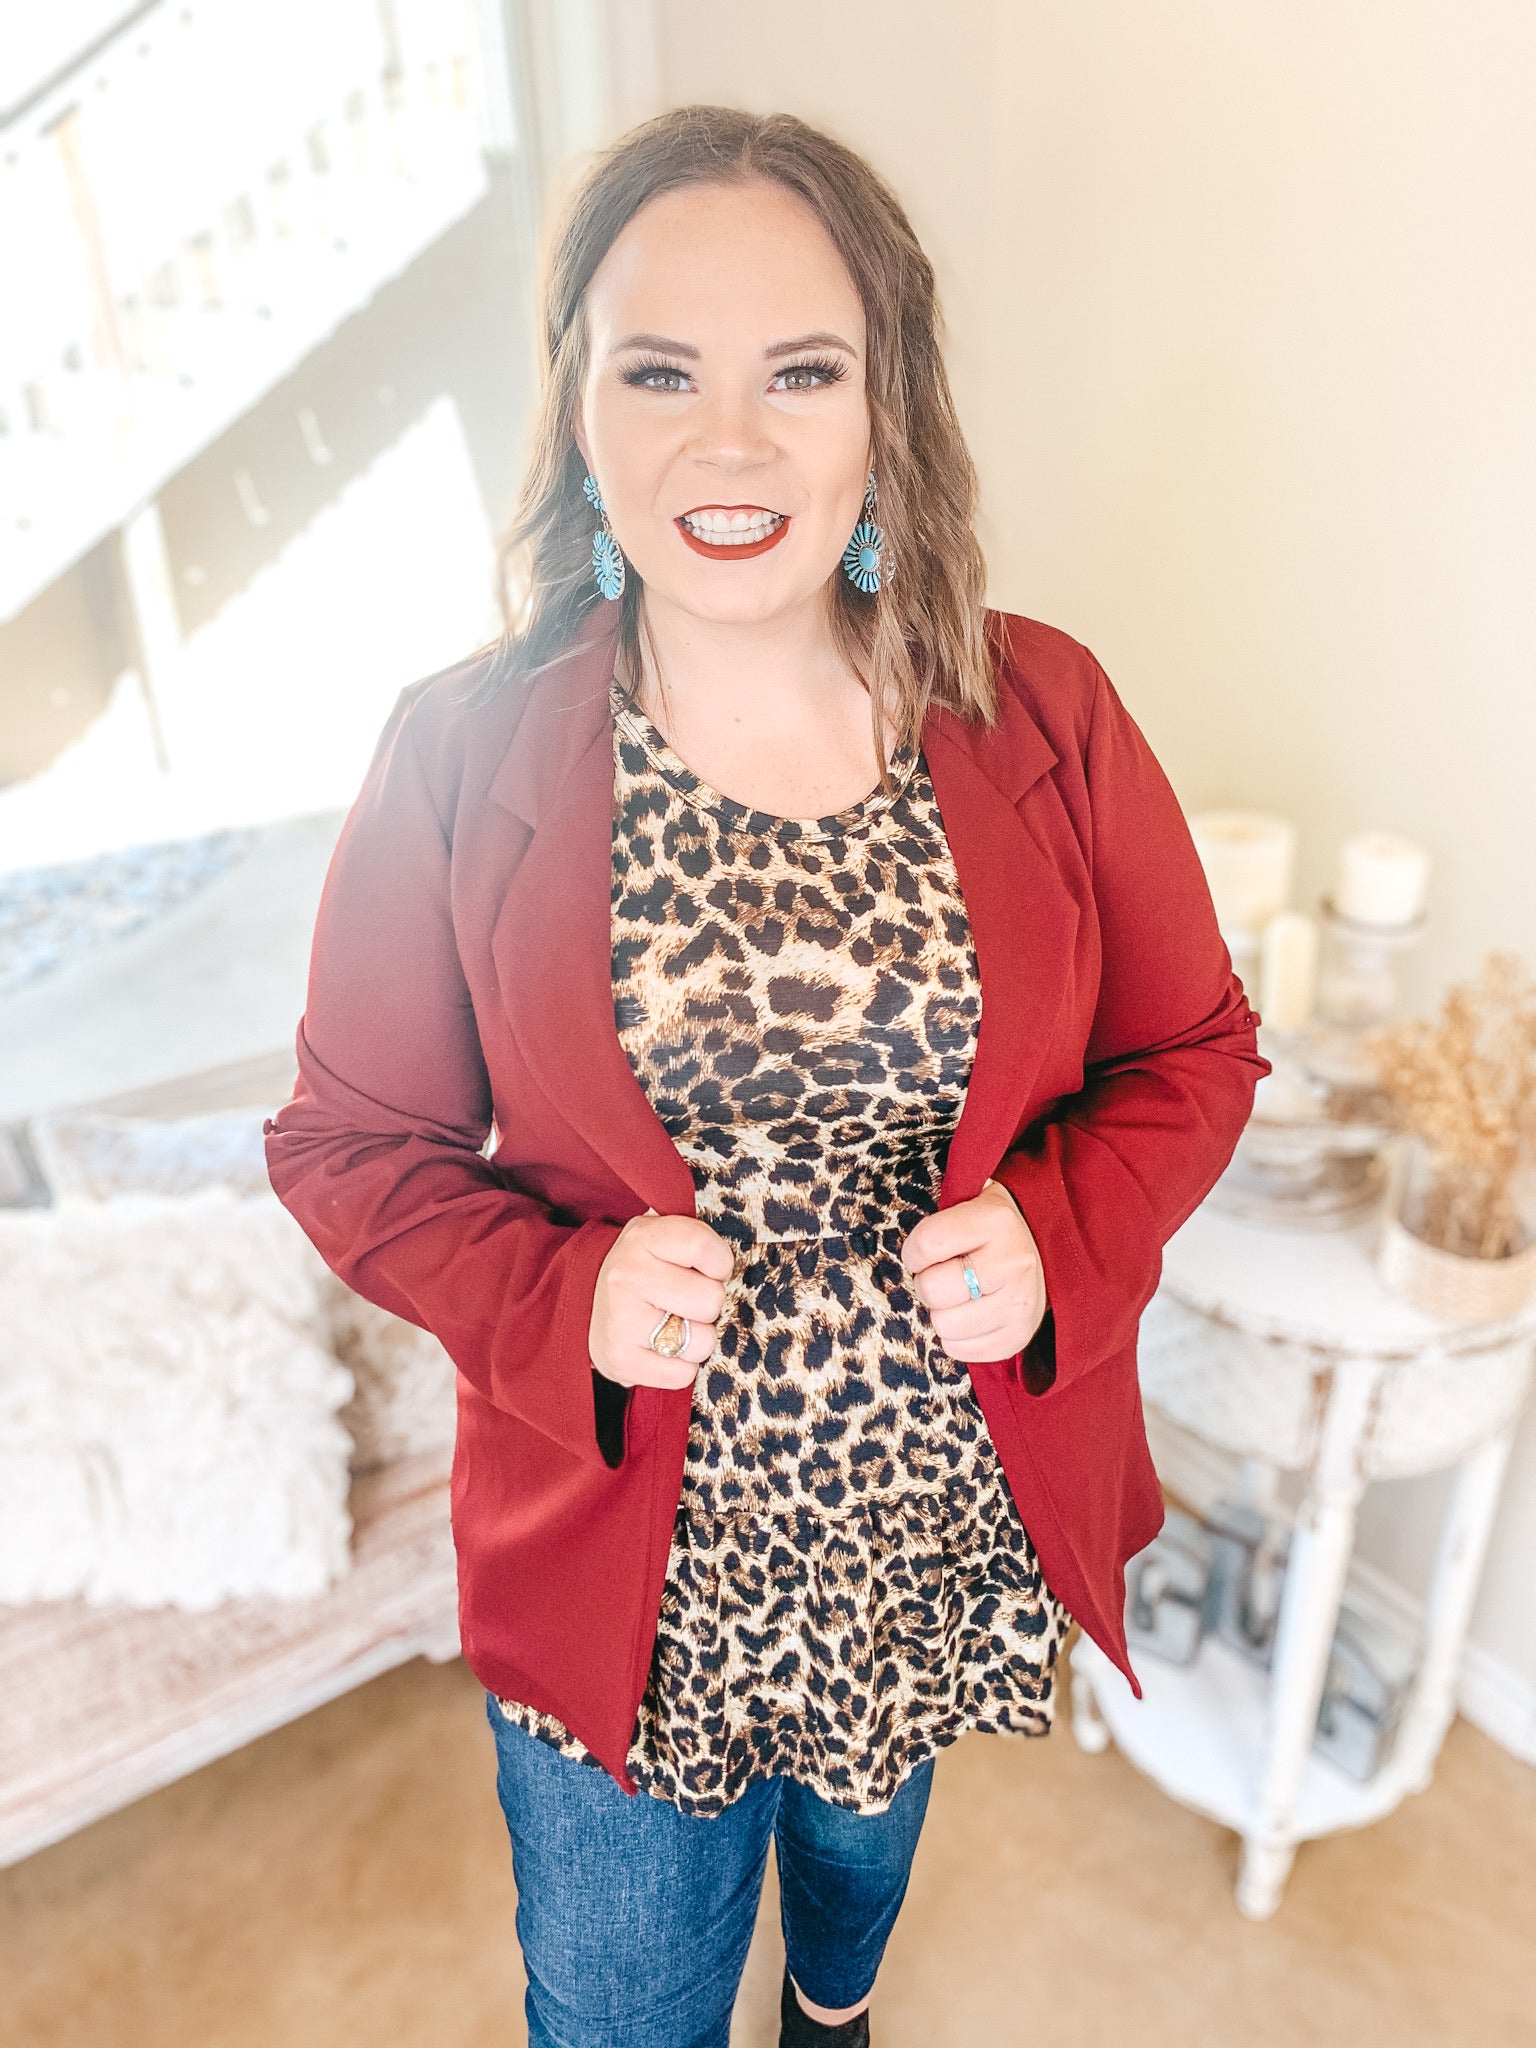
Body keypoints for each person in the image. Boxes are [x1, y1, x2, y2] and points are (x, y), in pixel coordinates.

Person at [265, 104, 1270, 2048]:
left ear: (886, 409)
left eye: (801, 372)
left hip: (928, 1526)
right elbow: (346, 1145)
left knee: (851, 1912)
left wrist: (1059, 1236)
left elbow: (1196, 1050)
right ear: (578, 410)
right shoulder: (457, 754)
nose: (728, 443)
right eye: (661, 373)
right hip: (628, 1579)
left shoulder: (1043, 710)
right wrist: (561, 1297)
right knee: (627, 2008)